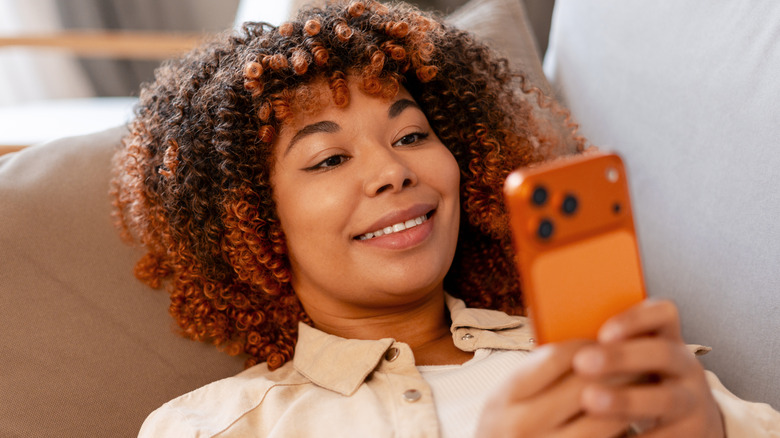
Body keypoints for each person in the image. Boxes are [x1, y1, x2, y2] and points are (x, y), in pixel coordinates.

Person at [111, 1, 779, 436]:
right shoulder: (209, 426)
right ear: (255, 224)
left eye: (410, 138)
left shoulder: (614, 358)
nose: (393, 171)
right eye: (329, 159)